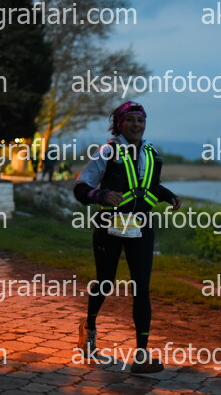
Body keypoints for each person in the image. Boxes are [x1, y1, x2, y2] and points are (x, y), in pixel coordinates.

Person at [73, 101, 181, 373]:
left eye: (140, 120)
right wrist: (99, 195)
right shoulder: (107, 152)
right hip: (109, 226)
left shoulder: (151, 153)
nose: (136, 125)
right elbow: (80, 186)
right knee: (105, 282)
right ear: (119, 123)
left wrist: (168, 196)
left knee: (141, 288)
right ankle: (89, 328)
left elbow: (150, 186)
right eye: (130, 119)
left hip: (141, 228)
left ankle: (141, 355)